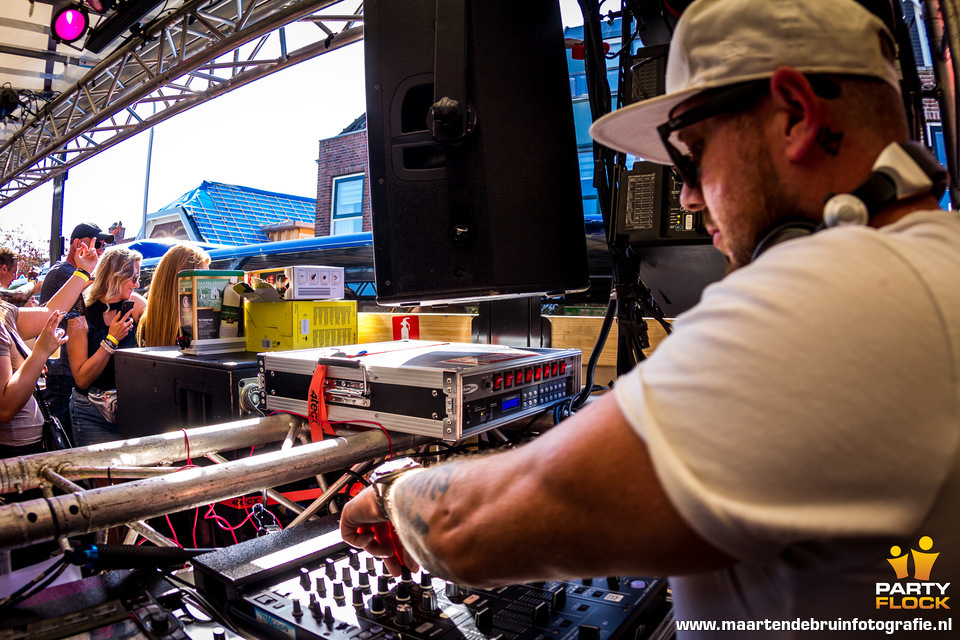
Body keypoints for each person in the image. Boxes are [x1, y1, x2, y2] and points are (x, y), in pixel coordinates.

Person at [341, 0, 958, 634]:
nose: (688, 199)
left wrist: (394, 494)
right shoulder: (929, 264)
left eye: (691, 155)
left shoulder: (840, 296)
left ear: (796, 116)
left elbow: (467, 529)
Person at [0, 244, 99, 457]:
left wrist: (83, 272)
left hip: (27, 445)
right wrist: (40, 353)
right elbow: (4, 408)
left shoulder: (3, 311)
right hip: (12, 454)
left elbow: (49, 314)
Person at [39, 222, 115, 444]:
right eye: (97, 243)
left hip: (67, 371)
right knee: (64, 445)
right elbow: (101, 286)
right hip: (60, 373)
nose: (101, 249)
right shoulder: (66, 272)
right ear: (77, 244)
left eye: (103, 246)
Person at [66, 246, 145, 446]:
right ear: (116, 275)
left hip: (131, 409)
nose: (137, 284)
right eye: (134, 278)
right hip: (91, 411)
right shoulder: (82, 311)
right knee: (105, 475)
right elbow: (82, 379)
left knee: (133, 476)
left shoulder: (134, 305)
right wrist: (111, 341)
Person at [136, 243, 210, 347]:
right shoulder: (198, 322)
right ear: (180, 281)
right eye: (202, 275)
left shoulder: (149, 321)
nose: (208, 281)